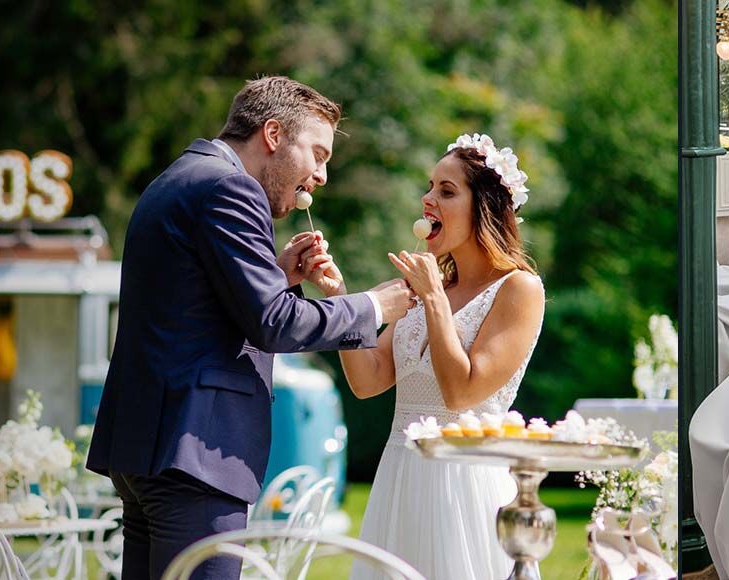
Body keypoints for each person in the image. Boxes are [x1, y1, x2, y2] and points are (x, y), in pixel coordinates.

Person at [85, 76, 415, 580]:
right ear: (274, 134)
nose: (322, 176)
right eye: (319, 154)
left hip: (147, 450)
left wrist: (278, 277)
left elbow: (191, 308)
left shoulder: (179, 176)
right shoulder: (231, 186)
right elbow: (276, 324)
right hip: (195, 453)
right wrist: (373, 305)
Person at [326, 134, 546, 580]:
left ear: (484, 206)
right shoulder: (430, 289)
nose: (427, 199)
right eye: (430, 187)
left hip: (464, 484)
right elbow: (367, 381)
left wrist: (432, 299)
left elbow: (462, 392)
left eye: (446, 191)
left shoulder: (518, 290)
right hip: (400, 479)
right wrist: (338, 299)